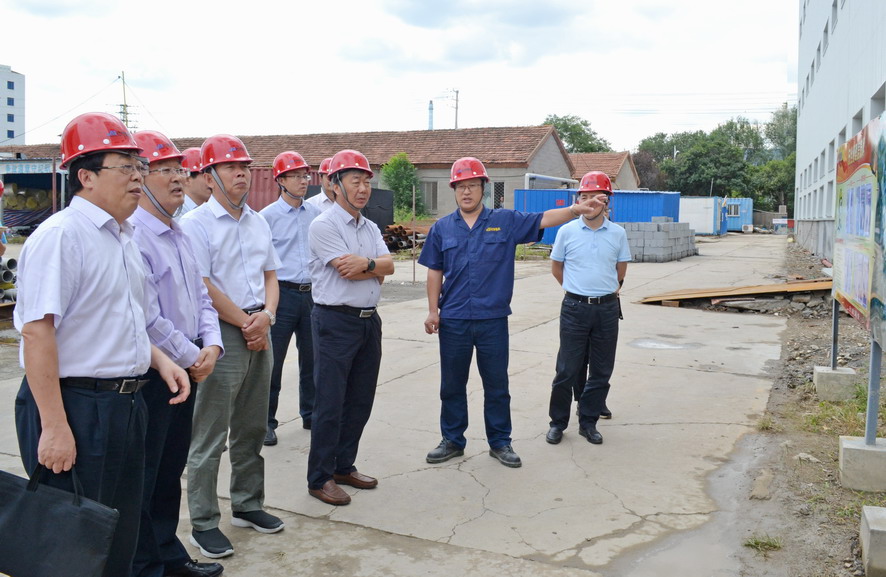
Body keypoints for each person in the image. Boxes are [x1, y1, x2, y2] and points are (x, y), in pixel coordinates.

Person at [13, 112, 190, 577]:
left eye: (139, 166)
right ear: (86, 176)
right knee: (74, 543)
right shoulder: (62, 237)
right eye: (126, 167)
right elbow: (37, 332)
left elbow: (124, 320)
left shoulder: (123, 236)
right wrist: (54, 427)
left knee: (119, 533)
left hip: (124, 405)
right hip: (76, 405)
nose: (138, 177)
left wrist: (159, 359)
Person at [420, 157, 602, 468]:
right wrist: (432, 311)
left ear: (483, 188)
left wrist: (575, 210)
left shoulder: (504, 221)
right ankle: (452, 440)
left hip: (492, 320)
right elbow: (434, 271)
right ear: (454, 190)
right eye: (461, 187)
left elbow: (543, 219)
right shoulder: (442, 228)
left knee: (496, 385)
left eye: (472, 186)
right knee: (451, 385)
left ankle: (500, 442)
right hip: (454, 320)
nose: (466, 192)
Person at [179, 134, 284, 559]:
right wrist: (245, 323)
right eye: (230, 167)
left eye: (244, 167)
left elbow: (271, 275)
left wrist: (267, 317)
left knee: (252, 425)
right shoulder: (196, 225)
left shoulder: (258, 221)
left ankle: (247, 503)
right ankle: (204, 522)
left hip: (260, 327)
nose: (241, 174)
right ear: (209, 176)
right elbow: (203, 285)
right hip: (222, 334)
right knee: (210, 433)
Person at [129, 130, 225, 577]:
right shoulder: (135, 237)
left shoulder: (179, 232)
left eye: (178, 169)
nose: (176, 178)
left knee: (170, 470)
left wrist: (212, 345)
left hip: (187, 364)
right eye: (164, 170)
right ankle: (148, 563)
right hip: (155, 372)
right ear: (140, 177)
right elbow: (148, 317)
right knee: (146, 476)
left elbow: (202, 297)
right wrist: (191, 355)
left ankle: (169, 557)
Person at [306, 149, 394, 506]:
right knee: (330, 402)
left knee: (360, 400)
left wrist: (368, 264)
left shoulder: (369, 226)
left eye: (366, 182)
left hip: (368, 322)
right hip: (335, 322)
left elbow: (389, 267)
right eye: (354, 181)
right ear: (334, 185)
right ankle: (319, 477)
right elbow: (347, 271)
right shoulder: (324, 225)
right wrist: (374, 266)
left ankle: (343, 466)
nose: (362, 189)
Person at [545, 171, 630, 446]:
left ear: (607, 202)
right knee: (567, 369)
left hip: (606, 310)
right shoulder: (566, 231)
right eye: (585, 196)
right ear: (578, 200)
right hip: (574, 309)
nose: (590, 202)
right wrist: (576, 290)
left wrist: (608, 289)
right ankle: (557, 423)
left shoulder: (618, 234)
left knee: (601, 370)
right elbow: (557, 268)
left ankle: (588, 421)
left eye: (597, 197)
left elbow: (621, 269)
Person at [260, 151, 321, 446]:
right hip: (281, 296)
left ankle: (310, 414)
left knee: (313, 359)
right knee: (272, 363)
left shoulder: (315, 215)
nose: (303, 181)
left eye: (305, 175)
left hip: (311, 295)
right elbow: (260, 263)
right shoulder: (266, 218)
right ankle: (266, 422)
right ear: (280, 180)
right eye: (295, 176)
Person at [177, 147, 211, 218]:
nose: (211, 180)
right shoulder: (177, 213)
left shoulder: (208, 210)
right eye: (205, 176)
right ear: (187, 179)